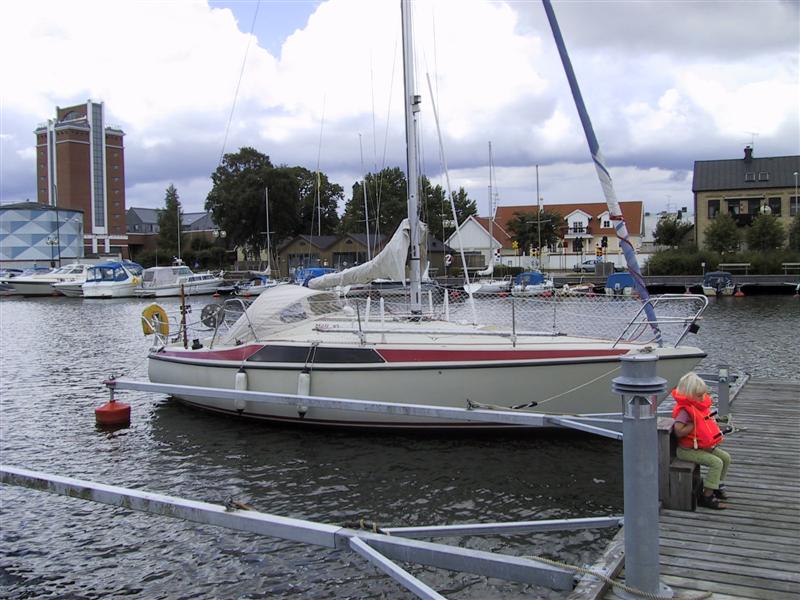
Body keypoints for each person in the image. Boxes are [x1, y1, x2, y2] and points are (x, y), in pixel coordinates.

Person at [671, 371, 732, 510]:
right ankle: (707, 496)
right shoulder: (684, 411)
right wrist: (693, 425)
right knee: (716, 462)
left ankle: (716, 485)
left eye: (703, 395)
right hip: (686, 450)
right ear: (688, 395)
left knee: (726, 458)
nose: (702, 398)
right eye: (699, 396)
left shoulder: (698, 407)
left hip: (699, 447)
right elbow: (678, 431)